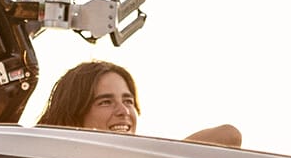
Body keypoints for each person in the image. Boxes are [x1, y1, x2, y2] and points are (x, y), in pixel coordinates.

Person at [35, 60, 242, 148]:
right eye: (105, 102)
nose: (123, 111)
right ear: (75, 114)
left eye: (128, 101)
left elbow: (230, 134)